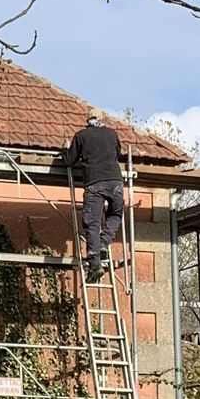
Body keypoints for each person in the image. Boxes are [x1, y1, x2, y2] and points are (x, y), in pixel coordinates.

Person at [67, 113, 125, 283]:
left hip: (94, 182)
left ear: (88, 121)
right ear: (102, 120)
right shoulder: (112, 134)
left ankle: (95, 266)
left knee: (92, 223)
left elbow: (69, 160)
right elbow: (117, 153)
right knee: (115, 214)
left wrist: (66, 150)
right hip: (115, 181)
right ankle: (104, 241)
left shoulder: (81, 136)